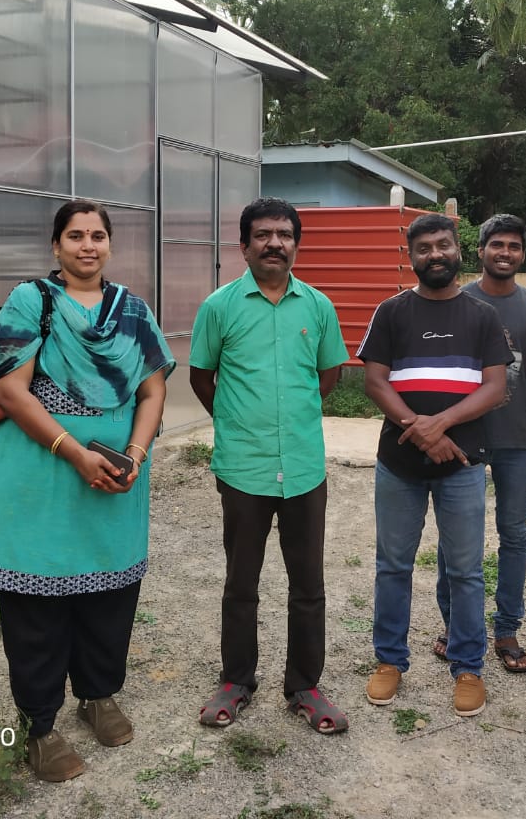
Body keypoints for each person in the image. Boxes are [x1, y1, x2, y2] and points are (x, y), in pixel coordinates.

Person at [0, 199, 174, 781]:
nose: (87, 246)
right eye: (75, 236)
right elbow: (12, 392)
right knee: (37, 607)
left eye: (97, 236)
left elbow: (151, 391)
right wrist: (74, 453)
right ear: (56, 246)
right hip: (42, 477)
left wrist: (135, 455)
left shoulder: (133, 311)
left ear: (110, 244)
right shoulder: (31, 302)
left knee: (109, 599)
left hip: (116, 481)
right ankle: (40, 726)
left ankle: (98, 695)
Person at [190, 197, 351, 735]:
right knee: (241, 581)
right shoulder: (219, 307)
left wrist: (290, 421)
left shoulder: (318, 307)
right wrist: (239, 425)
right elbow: (201, 378)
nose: (274, 243)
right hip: (244, 469)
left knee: (308, 584)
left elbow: (328, 378)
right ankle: (237, 679)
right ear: (244, 245)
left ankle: (304, 684)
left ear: (296, 245)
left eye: (284, 234)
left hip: (304, 469)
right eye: (263, 235)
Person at [357, 213, 511, 718]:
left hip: (464, 464)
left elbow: (495, 387)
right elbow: (375, 382)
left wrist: (437, 424)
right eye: (423, 248)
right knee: (393, 567)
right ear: (412, 256)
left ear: (457, 250)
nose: (434, 255)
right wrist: (419, 429)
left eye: (442, 245)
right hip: (397, 465)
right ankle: (388, 662)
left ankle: (468, 668)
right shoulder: (392, 312)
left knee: (466, 571)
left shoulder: (483, 316)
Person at [433, 213, 526, 674]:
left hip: (516, 444)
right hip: (464, 440)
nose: (505, 253)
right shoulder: (457, 299)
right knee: (456, 541)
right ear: (480, 250)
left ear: (524, 254)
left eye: (514, 246)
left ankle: (506, 629)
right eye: (496, 245)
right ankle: (456, 627)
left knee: (514, 535)